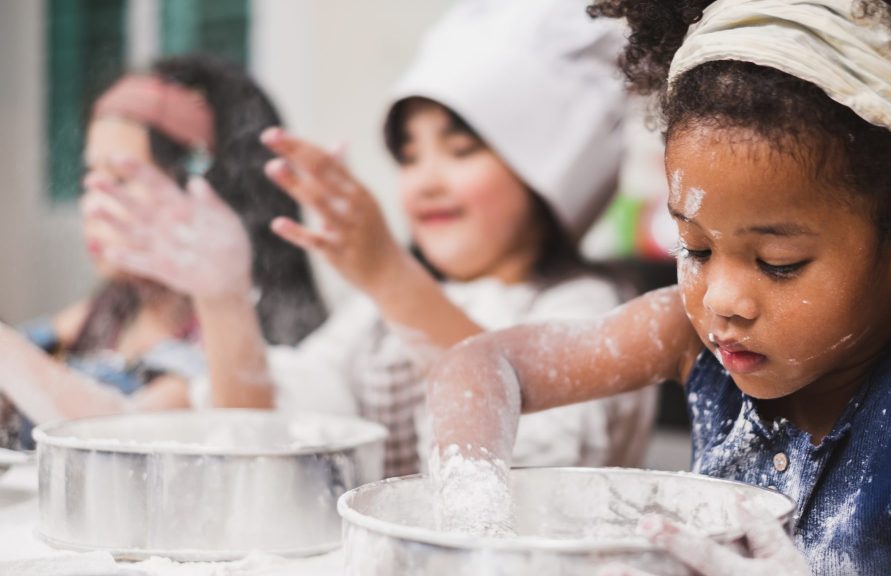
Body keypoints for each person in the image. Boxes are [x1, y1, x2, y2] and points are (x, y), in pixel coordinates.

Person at [425, 0, 891, 573]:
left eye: (778, 262)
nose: (720, 300)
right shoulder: (687, 335)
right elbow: (482, 364)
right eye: (697, 248)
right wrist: (475, 513)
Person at [93, 0, 656, 478]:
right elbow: (272, 434)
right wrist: (222, 299)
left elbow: (535, 471)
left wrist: (389, 274)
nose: (425, 181)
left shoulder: (590, 310)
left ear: (545, 172)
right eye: (409, 156)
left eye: (461, 150)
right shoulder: (373, 319)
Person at [0, 55, 326, 448]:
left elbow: (124, 438)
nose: (93, 205)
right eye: (91, 177)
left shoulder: (231, 342)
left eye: (121, 179)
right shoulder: (110, 310)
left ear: (205, 195)